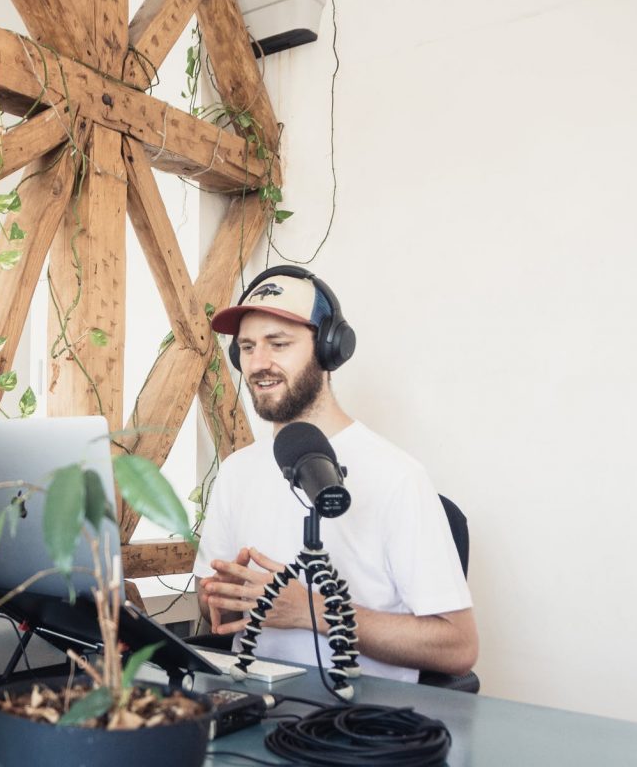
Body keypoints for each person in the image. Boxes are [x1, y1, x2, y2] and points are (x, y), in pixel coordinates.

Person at [194, 266, 478, 681]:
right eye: (248, 347)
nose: (258, 363)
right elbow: (211, 606)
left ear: (330, 349)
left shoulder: (397, 476)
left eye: (279, 344)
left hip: (358, 728)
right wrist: (227, 593)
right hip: (252, 712)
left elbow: (458, 646)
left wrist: (313, 610)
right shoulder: (237, 472)